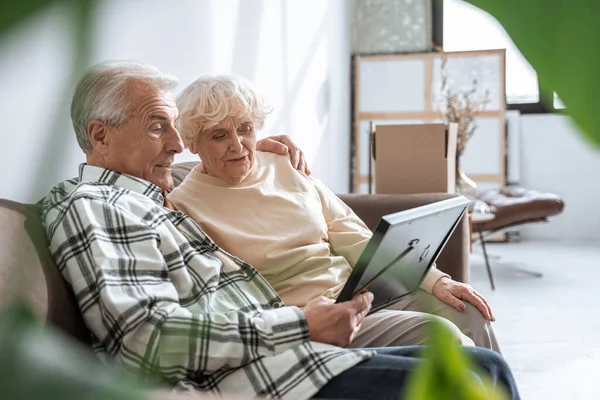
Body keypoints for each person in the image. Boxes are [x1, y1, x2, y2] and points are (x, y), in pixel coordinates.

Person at [43, 60, 519, 399]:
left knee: (476, 348)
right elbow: (148, 336)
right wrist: (303, 324)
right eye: (158, 129)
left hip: (293, 341)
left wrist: (253, 149)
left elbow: (347, 230)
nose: (172, 145)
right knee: (477, 368)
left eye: (245, 128)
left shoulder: (147, 197)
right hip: (277, 359)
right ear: (100, 135)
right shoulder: (97, 204)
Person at [169, 74, 500, 352]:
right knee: (447, 338)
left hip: (364, 293)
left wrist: (434, 280)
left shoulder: (285, 164)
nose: (238, 146)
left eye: (245, 129)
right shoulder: (184, 205)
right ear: (192, 143)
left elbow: (351, 234)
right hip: (315, 320)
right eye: (219, 135)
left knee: (471, 313)